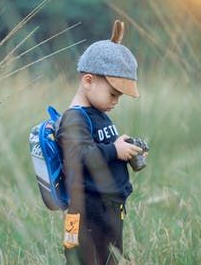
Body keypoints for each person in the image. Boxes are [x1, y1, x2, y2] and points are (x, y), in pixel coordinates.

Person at [57, 20, 145, 265]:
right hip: (87, 212)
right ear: (88, 81)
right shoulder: (74, 118)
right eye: (113, 93)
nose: (116, 100)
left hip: (108, 208)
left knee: (110, 259)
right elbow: (82, 155)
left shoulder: (98, 114)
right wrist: (115, 149)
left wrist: (121, 145)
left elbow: (99, 147)